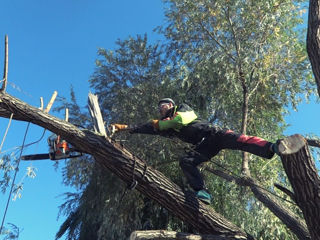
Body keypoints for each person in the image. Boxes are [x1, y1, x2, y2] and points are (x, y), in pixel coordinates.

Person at [111, 98, 279, 204]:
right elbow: (145, 127)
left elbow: (180, 121)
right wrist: (124, 128)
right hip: (204, 145)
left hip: (213, 133)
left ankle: (272, 147)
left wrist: (160, 124)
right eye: (159, 108)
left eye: (162, 106)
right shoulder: (163, 126)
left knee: (241, 140)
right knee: (186, 161)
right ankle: (202, 191)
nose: (160, 109)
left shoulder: (182, 108)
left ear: (170, 105)